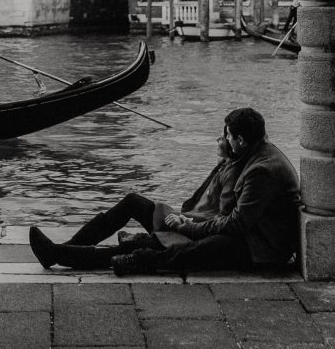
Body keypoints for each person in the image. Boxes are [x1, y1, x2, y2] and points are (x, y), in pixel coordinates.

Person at [29, 107, 300, 276]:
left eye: (227, 135)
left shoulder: (258, 170)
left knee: (151, 247)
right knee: (133, 203)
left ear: (240, 140)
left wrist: (187, 227)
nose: (223, 139)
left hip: (257, 246)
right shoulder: (249, 155)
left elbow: (234, 222)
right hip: (216, 224)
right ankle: (68, 249)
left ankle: (68, 255)